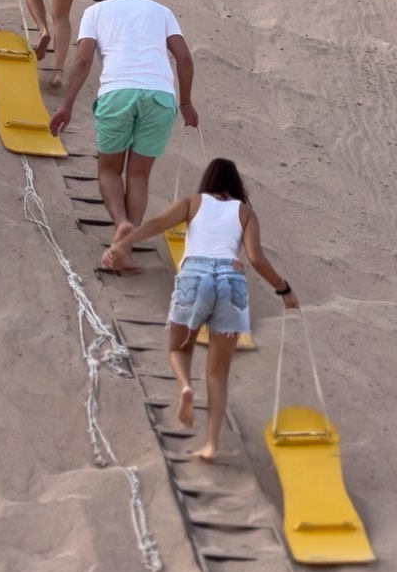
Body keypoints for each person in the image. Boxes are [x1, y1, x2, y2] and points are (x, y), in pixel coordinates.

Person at [102, 157, 300, 463]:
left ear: (208, 180)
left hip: (195, 275)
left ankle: (184, 388)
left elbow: (156, 224)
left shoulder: (193, 203)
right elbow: (255, 257)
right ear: (237, 185)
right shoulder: (245, 212)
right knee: (218, 374)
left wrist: (120, 244)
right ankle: (211, 444)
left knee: (179, 350)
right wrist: (284, 289)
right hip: (231, 282)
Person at [49, 0, 199, 245]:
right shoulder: (161, 11)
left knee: (109, 170)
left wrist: (67, 105)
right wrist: (186, 103)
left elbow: (82, 61)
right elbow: (185, 59)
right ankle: (127, 243)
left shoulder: (94, 13)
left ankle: (121, 224)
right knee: (139, 175)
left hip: (118, 92)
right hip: (160, 95)